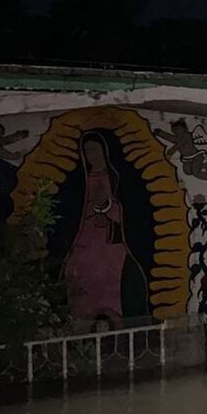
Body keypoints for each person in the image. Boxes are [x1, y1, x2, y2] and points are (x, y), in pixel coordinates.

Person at [64, 134, 147, 326]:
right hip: (85, 236)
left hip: (110, 241)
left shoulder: (117, 178)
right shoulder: (81, 180)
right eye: (87, 151)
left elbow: (129, 208)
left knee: (116, 275)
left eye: (95, 149)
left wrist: (108, 207)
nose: (91, 155)